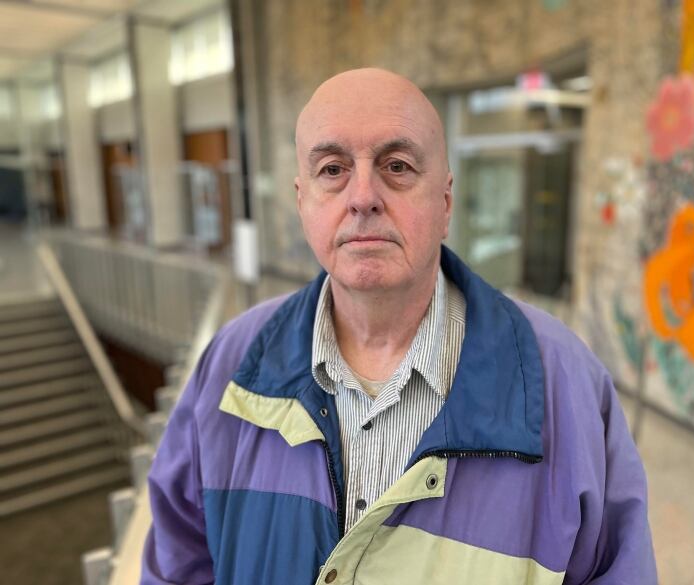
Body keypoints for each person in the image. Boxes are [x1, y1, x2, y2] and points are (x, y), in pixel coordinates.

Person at [142, 68, 657, 584]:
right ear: (302, 201)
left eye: (397, 165)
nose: (362, 196)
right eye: (332, 170)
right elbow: (177, 563)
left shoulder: (564, 382)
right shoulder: (230, 365)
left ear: (446, 203)